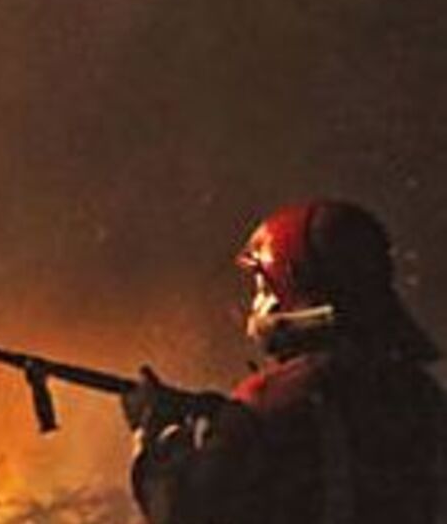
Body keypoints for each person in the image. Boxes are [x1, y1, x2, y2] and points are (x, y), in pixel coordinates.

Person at [123, 199, 445, 523]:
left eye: (264, 289)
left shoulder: (269, 403)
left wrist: (154, 431)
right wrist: (225, 421)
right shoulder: (421, 396)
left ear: (294, 290)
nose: (256, 305)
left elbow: (180, 508)